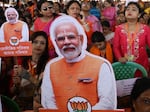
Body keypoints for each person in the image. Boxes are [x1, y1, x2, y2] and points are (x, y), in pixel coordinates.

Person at [41, 15, 117, 111]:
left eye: (71, 37)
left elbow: (107, 103)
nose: (66, 42)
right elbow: (48, 102)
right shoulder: (51, 67)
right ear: (55, 43)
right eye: (61, 39)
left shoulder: (101, 65)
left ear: (80, 39)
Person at [10, 31, 50, 111]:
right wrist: (16, 84)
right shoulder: (20, 62)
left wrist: (26, 75)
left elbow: (41, 87)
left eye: (42, 43)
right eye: (35, 42)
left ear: (46, 47)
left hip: (39, 105)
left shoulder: (49, 64)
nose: (38, 45)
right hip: (20, 105)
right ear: (29, 44)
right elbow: (12, 91)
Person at [113, 2, 150, 77]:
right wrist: (119, 58)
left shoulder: (145, 28)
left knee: (141, 86)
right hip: (125, 65)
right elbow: (116, 47)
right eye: (127, 9)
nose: (129, 11)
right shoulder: (119, 29)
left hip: (142, 65)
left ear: (139, 14)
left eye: (133, 10)